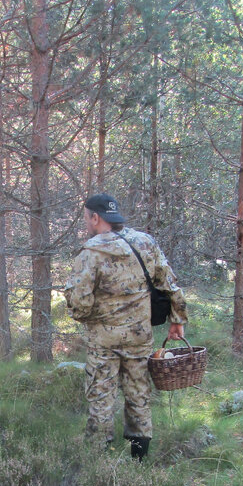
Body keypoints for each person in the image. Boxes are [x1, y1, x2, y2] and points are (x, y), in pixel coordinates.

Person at [65, 194, 187, 461]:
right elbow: (169, 283)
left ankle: (99, 462)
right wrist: (177, 320)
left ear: (95, 218)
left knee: (101, 398)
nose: (86, 223)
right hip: (139, 338)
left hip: (103, 341)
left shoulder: (92, 251)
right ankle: (138, 462)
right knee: (139, 395)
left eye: (86, 218)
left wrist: (88, 315)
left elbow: (79, 303)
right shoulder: (145, 242)